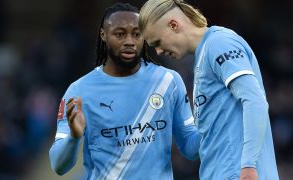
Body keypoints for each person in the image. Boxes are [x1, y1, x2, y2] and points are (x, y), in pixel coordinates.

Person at [49, 3, 201, 180]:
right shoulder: (79, 91)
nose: (129, 41)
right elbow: (58, 166)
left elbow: (191, 149)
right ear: (103, 35)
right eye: (120, 34)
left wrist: (212, 124)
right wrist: (73, 138)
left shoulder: (168, 81)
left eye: (136, 34)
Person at [138, 0, 279, 179]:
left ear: (173, 25)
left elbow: (255, 101)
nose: (157, 51)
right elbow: (195, 147)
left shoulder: (219, 43)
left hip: (239, 174)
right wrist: (171, 112)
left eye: (157, 42)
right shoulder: (202, 58)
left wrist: (249, 166)